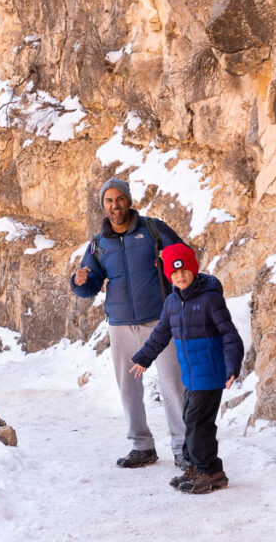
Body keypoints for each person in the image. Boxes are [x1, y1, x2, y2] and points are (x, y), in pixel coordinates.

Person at [71, 177, 188, 469]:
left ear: (128, 200)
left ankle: (183, 447)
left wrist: (167, 264)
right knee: (128, 387)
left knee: (173, 384)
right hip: (121, 323)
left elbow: (184, 257)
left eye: (119, 199)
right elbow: (90, 283)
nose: (115, 205)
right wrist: (79, 282)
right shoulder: (98, 244)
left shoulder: (152, 229)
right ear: (103, 204)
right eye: (109, 200)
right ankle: (142, 446)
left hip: (161, 321)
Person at [129, 243, 244, 494]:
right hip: (191, 377)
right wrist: (143, 358)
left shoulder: (210, 299)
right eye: (174, 272)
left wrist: (232, 365)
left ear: (193, 269)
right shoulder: (172, 302)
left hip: (211, 373)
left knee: (196, 423)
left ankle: (205, 471)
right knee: (191, 419)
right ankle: (206, 467)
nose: (180, 276)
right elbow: (160, 335)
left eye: (185, 271)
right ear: (169, 275)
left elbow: (229, 334)